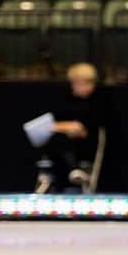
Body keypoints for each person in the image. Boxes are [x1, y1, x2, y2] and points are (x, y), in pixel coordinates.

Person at [34, 62, 105, 194]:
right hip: (61, 147)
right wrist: (65, 127)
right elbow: (51, 125)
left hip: (84, 147)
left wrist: (64, 127)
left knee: (59, 139)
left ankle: (73, 171)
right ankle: (71, 172)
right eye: (76, 83)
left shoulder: (98, 102)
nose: (78, 87)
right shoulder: (64, 100)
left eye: (84, 83)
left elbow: (81, 130)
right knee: (55, 140)